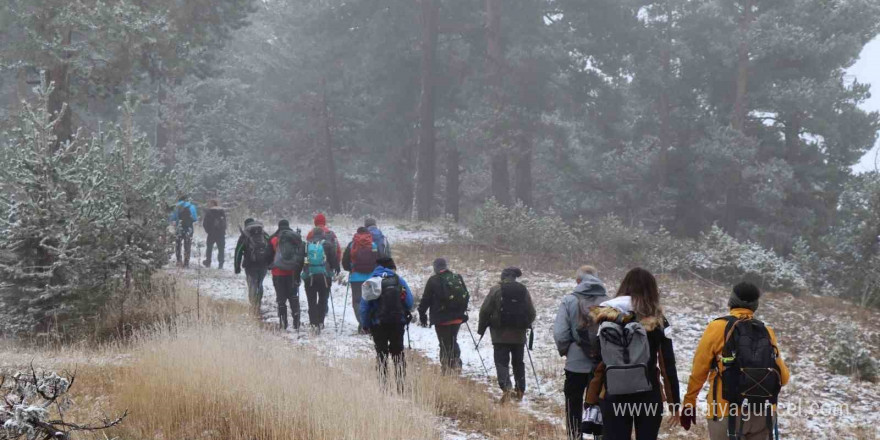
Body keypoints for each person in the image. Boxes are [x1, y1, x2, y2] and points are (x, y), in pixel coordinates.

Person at [680, 282, 790, 440]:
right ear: (755, 306)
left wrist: (689, 403)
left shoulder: (717, 327)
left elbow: (699, 371)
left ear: (731, 301)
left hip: (725, 412)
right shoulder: (767, 331)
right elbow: (783, 378)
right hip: (763, 415)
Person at [589, 268, 680, 440]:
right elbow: (667, 364)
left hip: (613, 393)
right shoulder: (657, 318)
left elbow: (597, 361)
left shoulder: (605, 316)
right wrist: (674, 402)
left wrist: (591, 399)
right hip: (648, 394)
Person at [552, 265, 609, 440]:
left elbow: (560, 333)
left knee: (573, 404)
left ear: (578, 281)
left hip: (576, 363)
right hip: (601, 364)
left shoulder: (569, 300)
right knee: (600, 405)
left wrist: (568, 351)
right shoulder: (609, 301)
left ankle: (575, 436)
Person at [477, 267, 536, 402]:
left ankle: (506, 388)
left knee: (501, 362)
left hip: (499, 335)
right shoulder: (523, 290)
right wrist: (524, 324)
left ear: (503, 277)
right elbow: (532, 312)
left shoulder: (496, 289)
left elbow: (484, 311)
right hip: (519, 335)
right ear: (515, 277)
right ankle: (520, 389)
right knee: (518, 363)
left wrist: (481, 329)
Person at [359, 257, 414, 392]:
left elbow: (364, 307)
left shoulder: (371, 280)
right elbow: (410, 302)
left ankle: (384, 387)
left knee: (381, 354)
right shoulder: (398, 280)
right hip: (397, 322)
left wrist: (365, 325)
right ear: (391, 266)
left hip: (378, 324)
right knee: (398, 353)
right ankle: (401, 386)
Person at [418, 258, 469, 374]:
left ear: (435, 268)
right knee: (453, 340)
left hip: (442, 318)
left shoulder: (433, 280)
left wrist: (422, 314)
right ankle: (456, 363)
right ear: (446, 266)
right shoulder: (457, 277)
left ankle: (446, 368)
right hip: (457, 318)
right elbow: (465, 295)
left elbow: (425, 299)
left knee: (444, 343)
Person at [302, 226, 340, 332]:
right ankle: (320, 322)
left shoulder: (307, 245)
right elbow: (334, 260)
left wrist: (299, 274)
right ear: (323, 234)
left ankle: (313, 324)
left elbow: (302, 261)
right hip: (324, 277)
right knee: (323, 299)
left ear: (313, 234)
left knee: (311, 300)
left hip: (309, 276)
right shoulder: (327, 244)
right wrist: (335, 269)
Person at [269, 220, 305, 331]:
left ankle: (283, 323)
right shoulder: (295, 239)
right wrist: (298, 272)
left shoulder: (274, 239)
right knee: (294, 297)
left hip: (277, 273)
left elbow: (268, 256)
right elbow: (301, 256)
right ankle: (297, 322)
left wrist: (270, 265)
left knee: (281, 299)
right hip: (292, 273)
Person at [342, 226, 378, 334]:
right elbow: (378, 260)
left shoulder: (352, 244)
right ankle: (370, 324)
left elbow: (344, 262)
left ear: (357, 233)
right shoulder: (373, 245)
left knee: (357, 302)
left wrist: (350, 268)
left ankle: (363, 324)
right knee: (370, 301)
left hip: (356, 278)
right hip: (371, 278)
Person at [234, 218, 271, 316]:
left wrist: (237, 266)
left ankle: (253, 305)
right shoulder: (264, 234)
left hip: (250, 265)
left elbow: (238, 252)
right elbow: (271, 248)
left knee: (252, 283)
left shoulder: (244, 235)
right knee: (260, 283)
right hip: (264, 264)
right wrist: (271, 263)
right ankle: (258, 304)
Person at [169, 195, 198, 267]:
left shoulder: (176, 207)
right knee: (187, 245)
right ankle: (186, 263)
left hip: (179, 228)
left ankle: (179, 261)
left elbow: (172, 218)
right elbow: (195, 218)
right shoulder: (191, 206)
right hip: (189, 228)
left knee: (178, 245)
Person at [202, 199, 227, 269]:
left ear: (212, 204)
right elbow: (225, 223)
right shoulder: (222, 211)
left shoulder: (209, 212)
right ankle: (221, 264)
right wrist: (223, 230)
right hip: (221, 234)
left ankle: (208, 262)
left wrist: (208, 231)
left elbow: (204, 224)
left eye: (210, 203)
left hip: (211, 233)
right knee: (221, 249)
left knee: (209, 248)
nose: (209, 204)